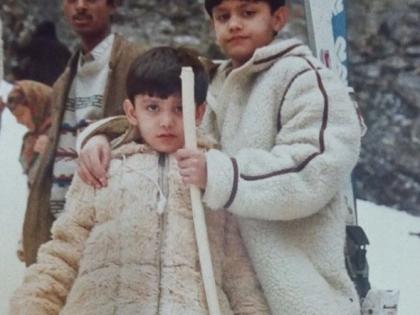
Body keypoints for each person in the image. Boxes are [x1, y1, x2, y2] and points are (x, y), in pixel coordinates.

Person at [78, 0, 364, 314]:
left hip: (291, 290)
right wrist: (104, 136)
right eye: (223, 16)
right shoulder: (210, 83)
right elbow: (163, 122)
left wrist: (219, 175)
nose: (235, 24)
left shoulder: (306, 78)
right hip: (223, 295)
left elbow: (314, 170)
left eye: (248, 13)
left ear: (278, 18)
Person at [9, 46, 270, 315]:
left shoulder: (214, 175)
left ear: (199, 112)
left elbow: (239, 275)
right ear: (132, 111)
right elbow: (63, 252)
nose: (166, 121)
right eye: (153, 107)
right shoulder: (103, 167)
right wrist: (34, 306)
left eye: (180, 108)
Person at [21, 0, 144, 266]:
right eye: (71, 0)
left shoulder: (136, 64)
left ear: (113, 4)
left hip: (109, 231)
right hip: (60, 230)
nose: (80, 6)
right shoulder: (66, 79)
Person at [6, 80, 52, 187]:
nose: (18, 121)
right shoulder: (32, 138)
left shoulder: (63, 127)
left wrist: (53, 147)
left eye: (21, 114)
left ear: (36, 105)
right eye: (15, 117)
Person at [12, 21, 71, 86]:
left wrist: (17, 33)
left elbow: (19, 50)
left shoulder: (38, 43)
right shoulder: (64, 49)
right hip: (57, 87)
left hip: (37, 83)